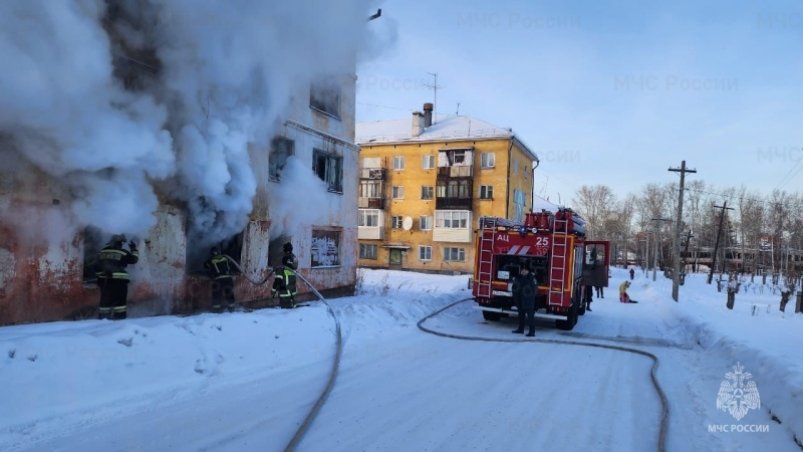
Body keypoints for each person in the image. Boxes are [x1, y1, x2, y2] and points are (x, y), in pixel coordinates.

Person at [96, 234, 138, 320]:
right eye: (121, 243)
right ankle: (119, 319)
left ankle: (103, 319)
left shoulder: (102, 251)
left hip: (104, 280)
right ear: (119, 243)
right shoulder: (123, 252)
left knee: (105, 301)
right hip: (119, 281)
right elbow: (134, 260)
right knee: (120, 302)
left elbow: (97, 264)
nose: (122, 245)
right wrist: (134, 249)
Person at [204, 246, 236, 312]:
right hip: (228, 278)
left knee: (216, 294)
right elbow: (231, 265)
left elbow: (205, 266)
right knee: (229, 293)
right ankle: (232, 308)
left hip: (218, 280)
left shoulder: (211, 260)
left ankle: (216, 310)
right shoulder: (225, 258)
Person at [512, 264, 537, 337]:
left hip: (528, 300)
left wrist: (528, 295)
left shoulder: (532, 278)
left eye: (525, 270)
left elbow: (534, 290)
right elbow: (515, 287)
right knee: (520, 315)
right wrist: (515, 295)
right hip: (520, 300)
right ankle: (520, 329)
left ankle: (532, 332)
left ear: (528, 271)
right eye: (522, 270)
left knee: (530, 317)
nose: (523, 271)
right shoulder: (518, 278)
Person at [272, 242, 298, 308]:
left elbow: (277, 280)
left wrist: (273, 291)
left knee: (286, 314)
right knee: (294, 313)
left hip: (285, 295)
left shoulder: (281, 269)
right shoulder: (293, 269)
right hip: (293, 294)